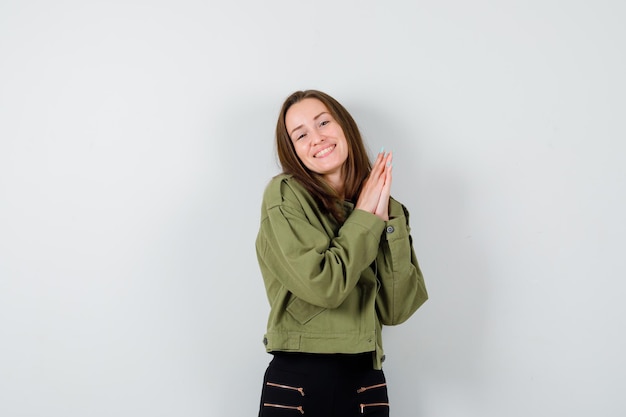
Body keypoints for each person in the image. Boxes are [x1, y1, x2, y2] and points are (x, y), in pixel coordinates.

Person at [255, 90, 428, 417]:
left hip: (367, 379)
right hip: (301, 379)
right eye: (301, 134)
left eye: (323, 122)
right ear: (292, 151)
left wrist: (387, 220)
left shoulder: (382, 208)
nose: (317, 138)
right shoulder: (285, 195)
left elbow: (396, 310)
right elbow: (324, 286)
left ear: (344, 126)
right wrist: (365, 218)